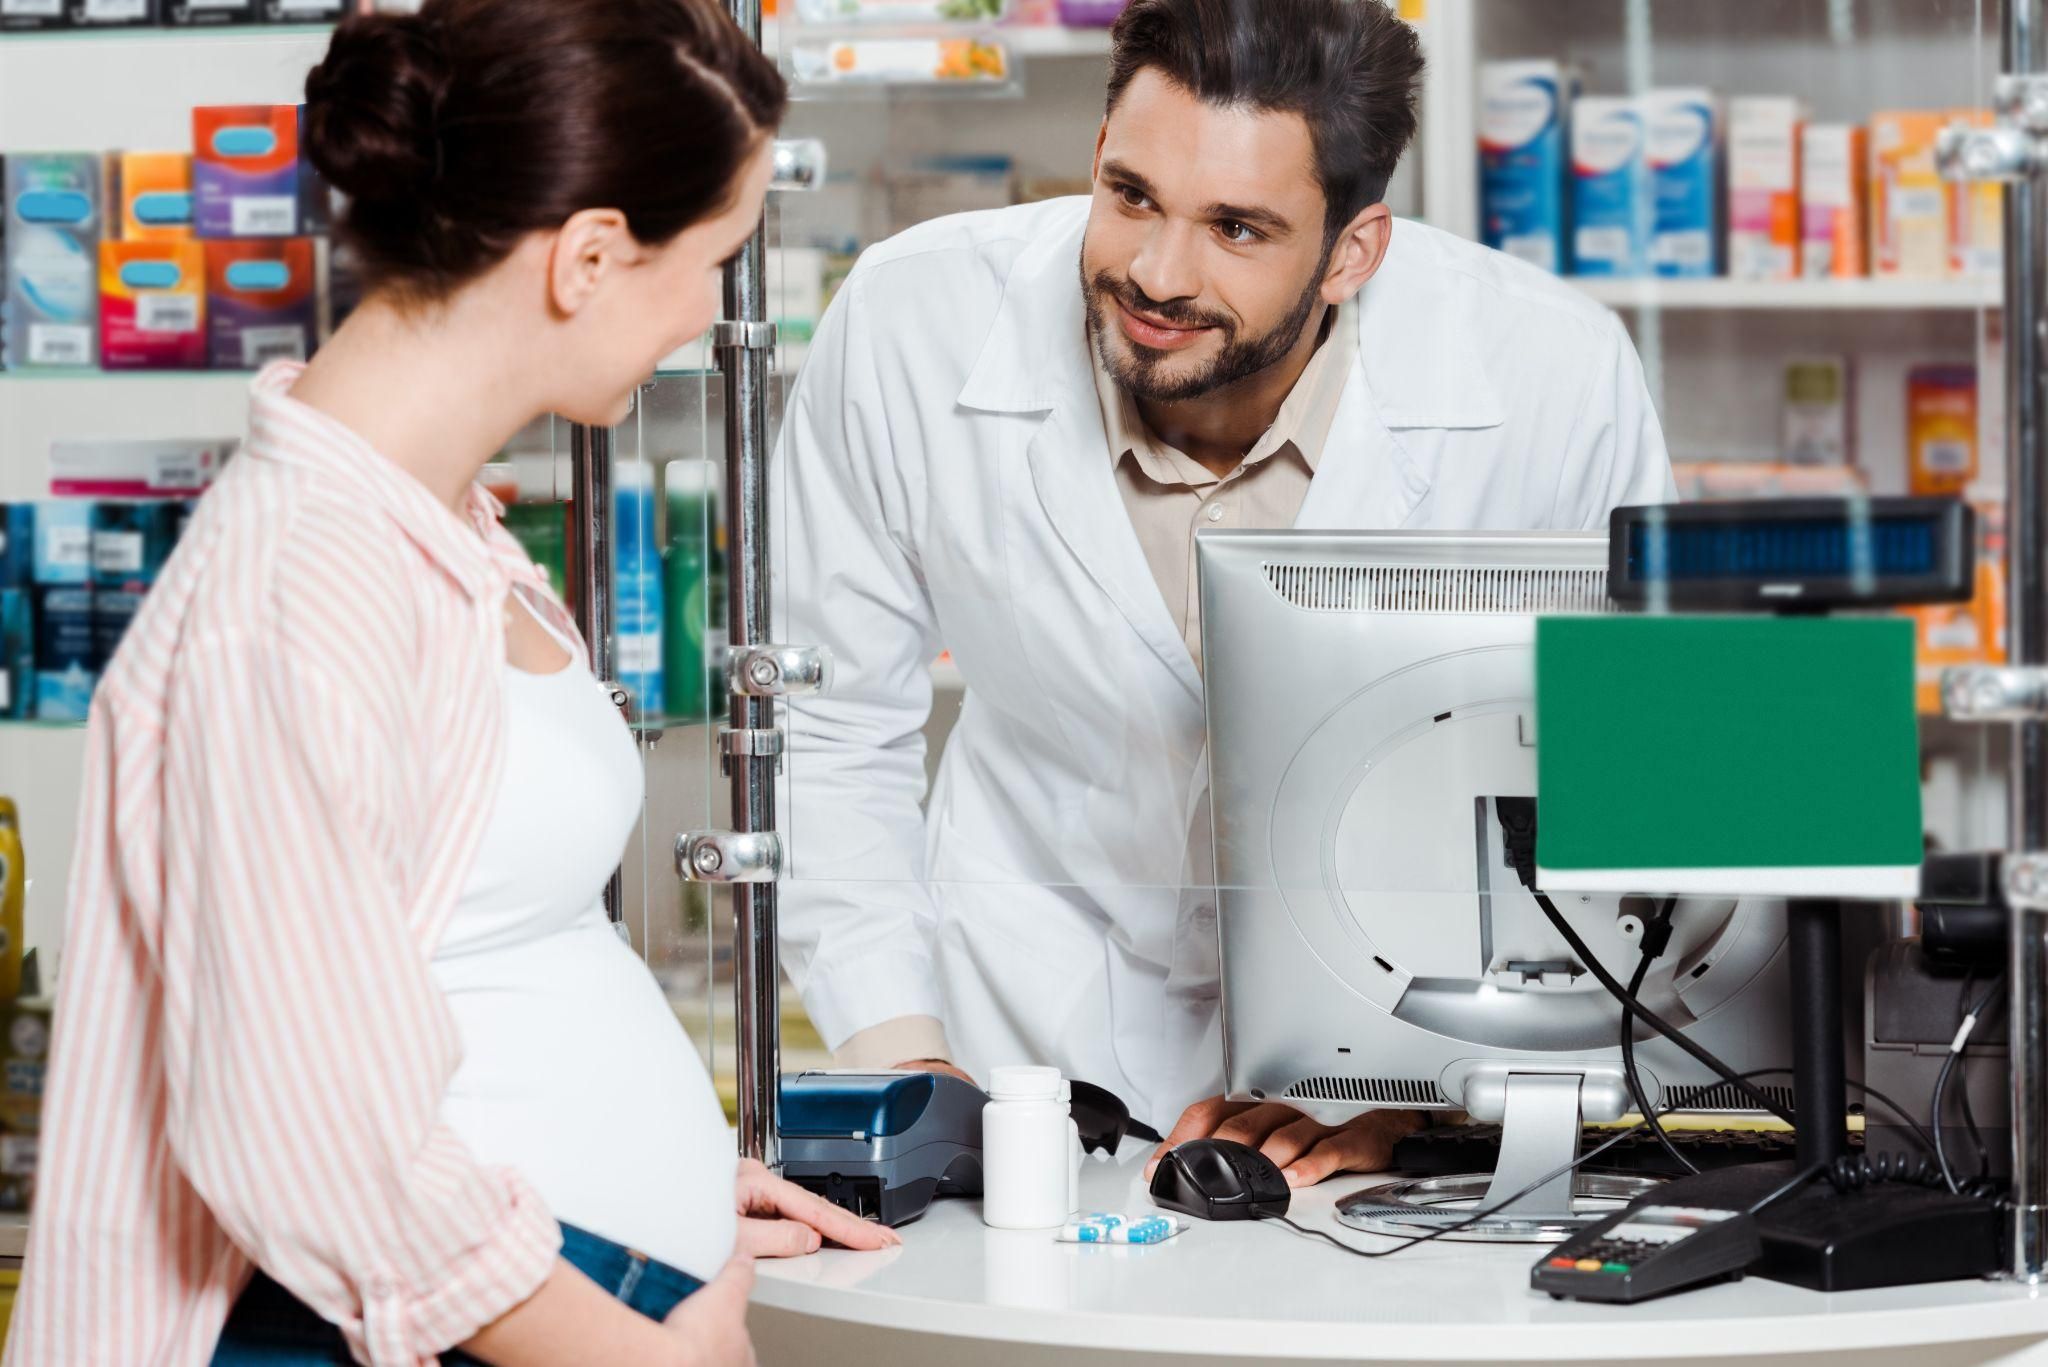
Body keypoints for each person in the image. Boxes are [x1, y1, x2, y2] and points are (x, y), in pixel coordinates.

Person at [7, 4, 892, 1365]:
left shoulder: (444, 527)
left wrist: (642, 1183)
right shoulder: (294, 593)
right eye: (714, 260)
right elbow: (306, 1136)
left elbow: (464, 951)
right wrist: (649, 1350)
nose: (718, 310)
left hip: (566, 1281)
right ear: (590, 256)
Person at [775, 0, 1675, 1189]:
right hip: (1018, 1047)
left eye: (1235, 227)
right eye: (1129, 193)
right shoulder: (915, 320)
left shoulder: (1549, 368)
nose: (1154, 271)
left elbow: (1638, 780)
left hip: (1403, 1074)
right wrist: (910, 1065)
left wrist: (1435, 1097)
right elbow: (825, 727)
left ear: (1352, 252)